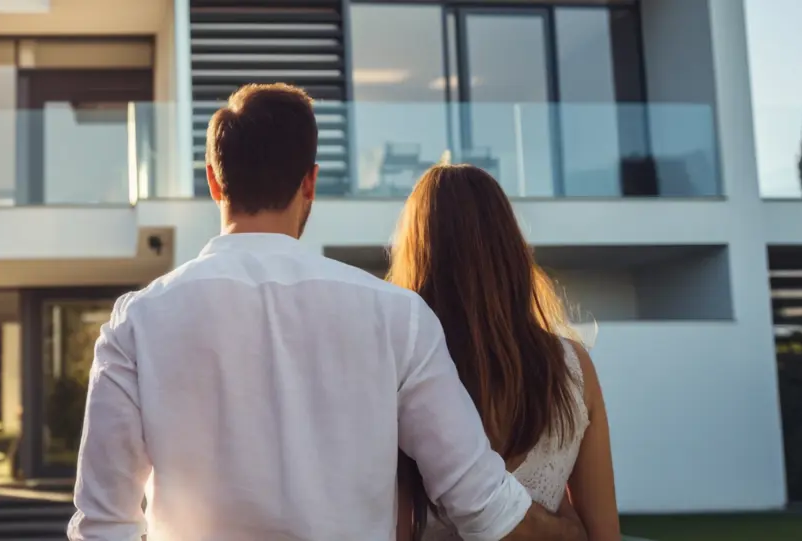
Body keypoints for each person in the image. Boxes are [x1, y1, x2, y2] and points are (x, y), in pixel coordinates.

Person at [68, 84, 586, 540]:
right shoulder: (397, 318)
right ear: (309, 183)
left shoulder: (137, 322)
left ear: (214, 181)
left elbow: (103, 525)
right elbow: (480, 503)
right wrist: (571, 533)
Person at [389, 165, 620, 541]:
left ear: (417, 254)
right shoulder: (572, 368)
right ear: (509, 248)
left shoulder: (401, 369)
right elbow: (604, 534)